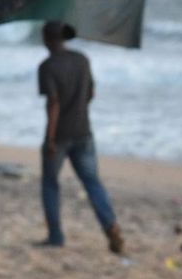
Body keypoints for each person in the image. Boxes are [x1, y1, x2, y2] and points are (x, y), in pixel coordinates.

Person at [36, 20, 124, 253]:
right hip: (84, 131)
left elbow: (53, 103)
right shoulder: (82, 59)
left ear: (46, 39)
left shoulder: (48, 66)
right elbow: (91, 92)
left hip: (60, 134)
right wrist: (78, 108)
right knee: (92, 182)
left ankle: (55, 235)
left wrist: (50, 138)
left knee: (50, 184)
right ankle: (111, 226)